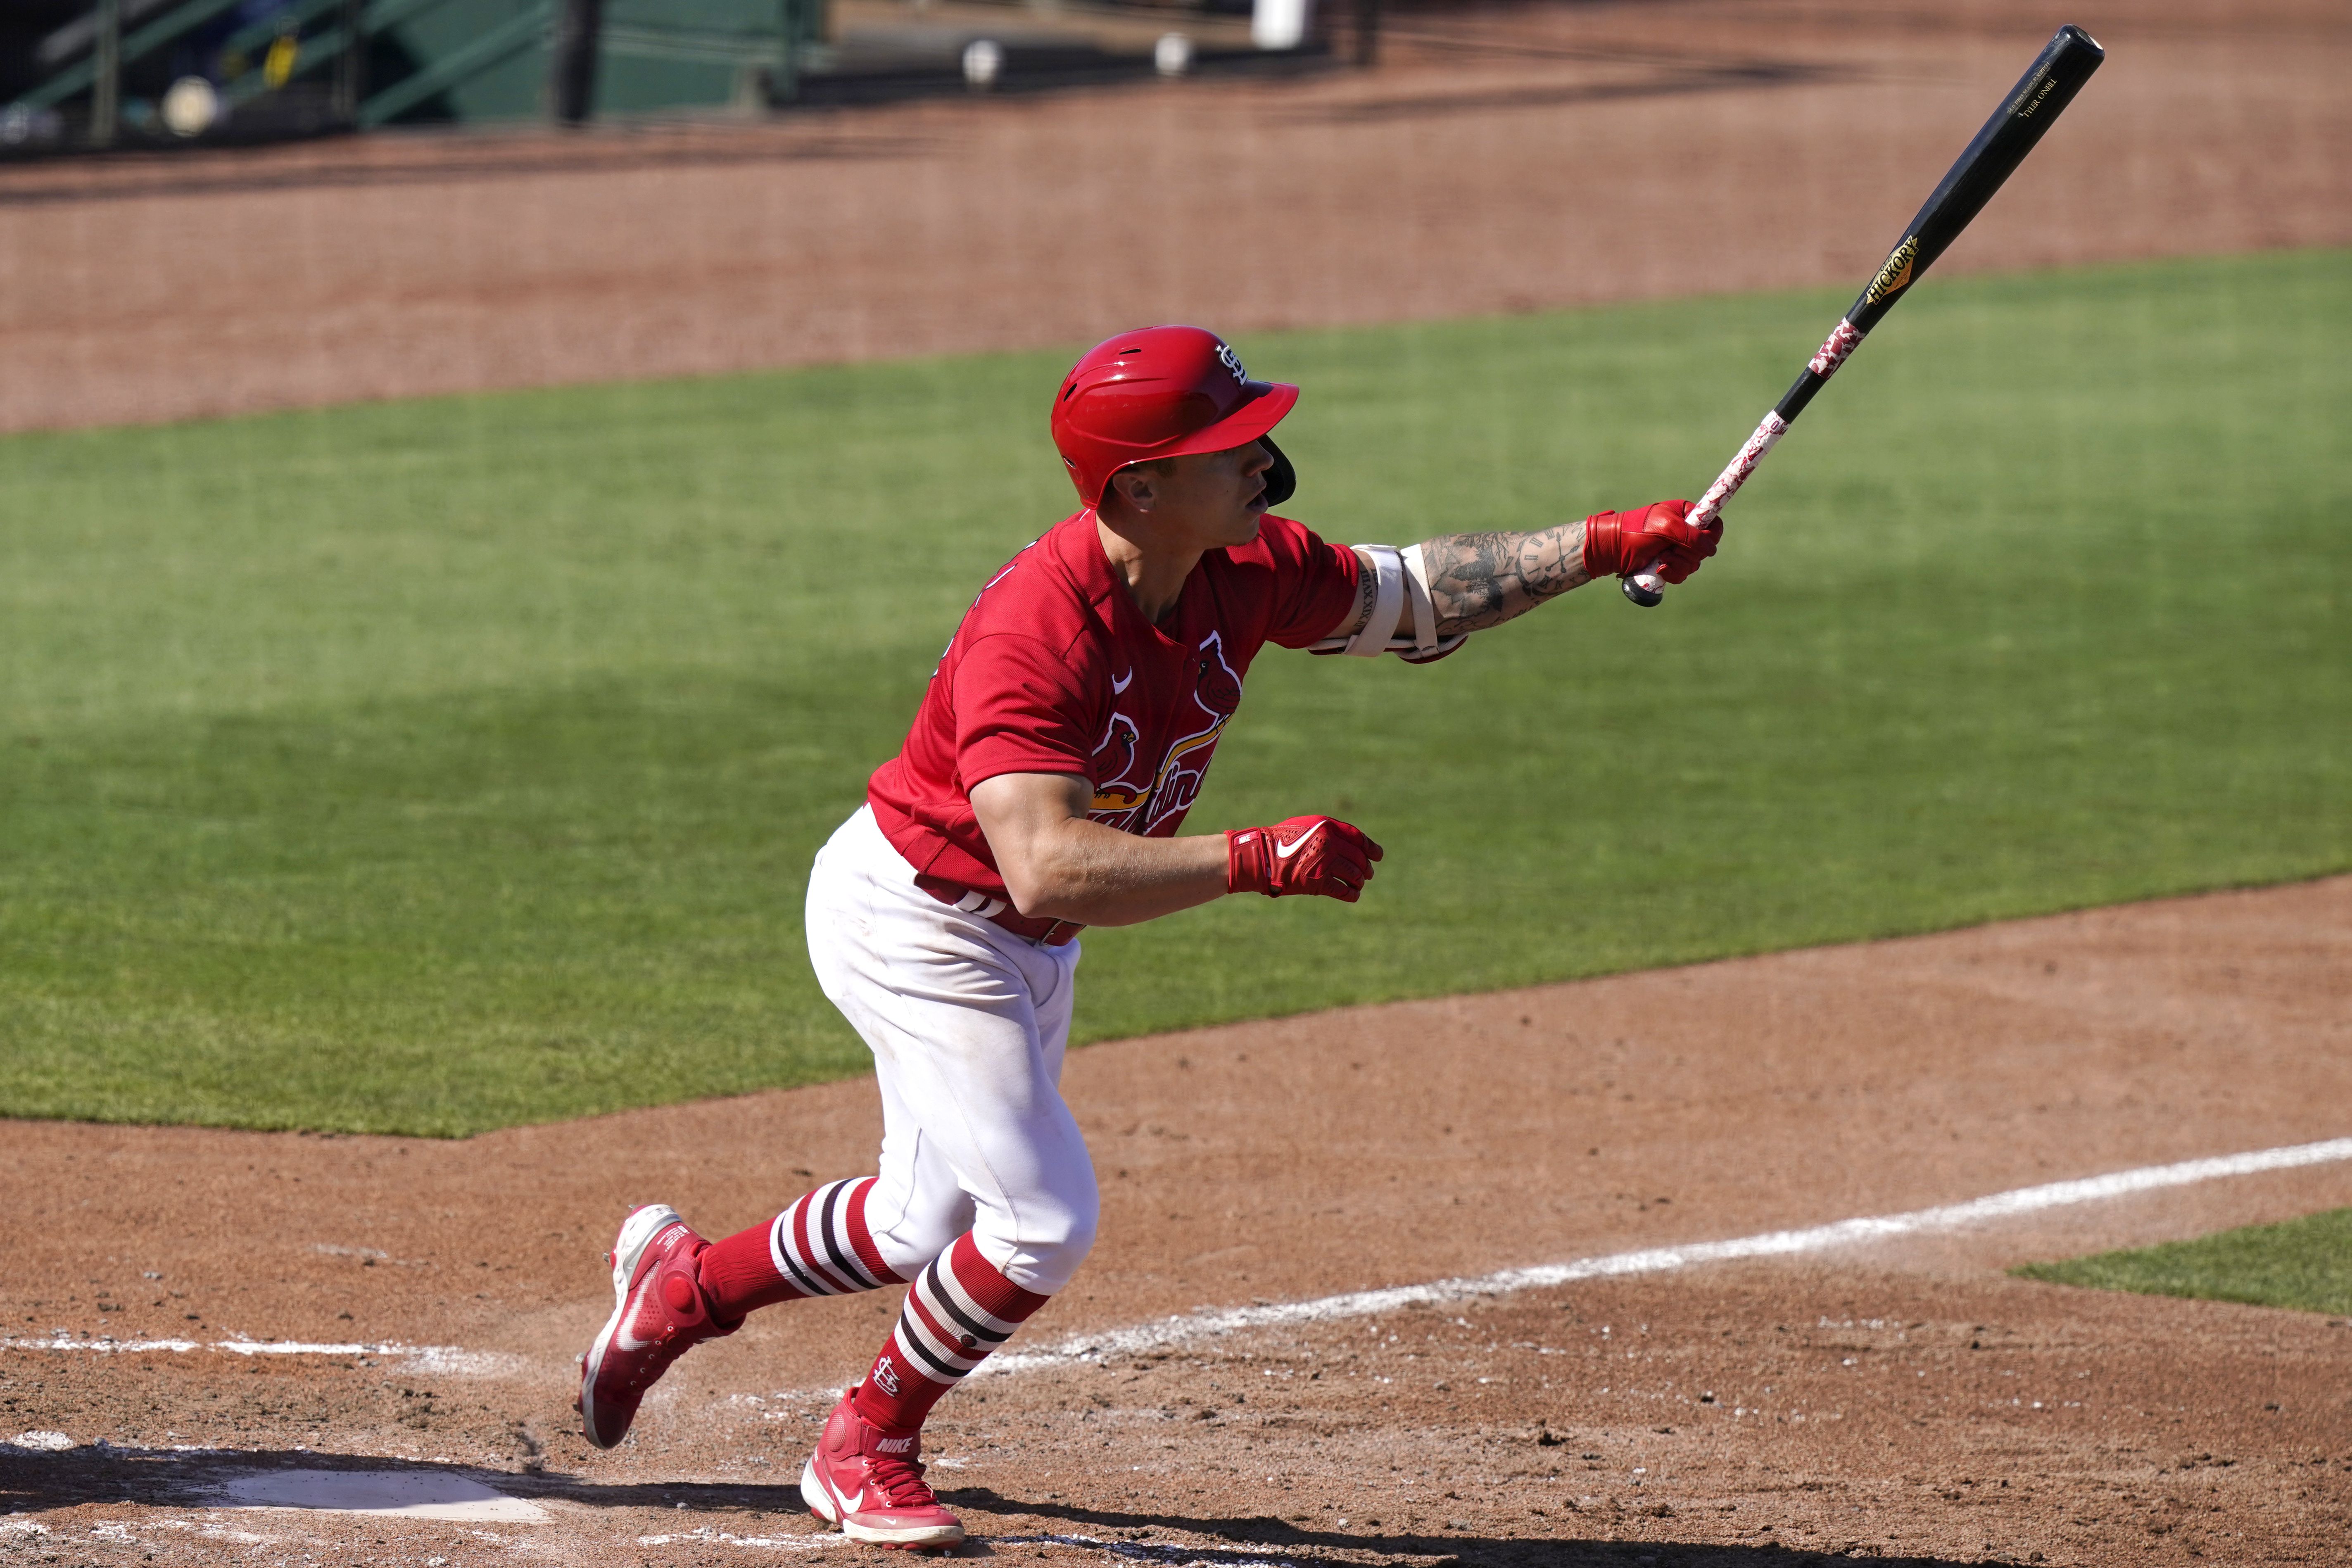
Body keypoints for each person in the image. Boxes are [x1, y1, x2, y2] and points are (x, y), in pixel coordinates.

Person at [574, 325, 1719, 1550]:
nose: (1268, 462)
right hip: (917, 919)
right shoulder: (1040, 632)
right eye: (1232, 447)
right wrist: (1255, 858)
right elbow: (1046, 858)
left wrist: (1604, 544)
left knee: (921, 1224)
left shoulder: (1239, 565)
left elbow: (1419, 593)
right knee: (1042, 1219)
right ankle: (867, 1436)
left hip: (1028, 937)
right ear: (1140, 488)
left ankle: (683, 1286)